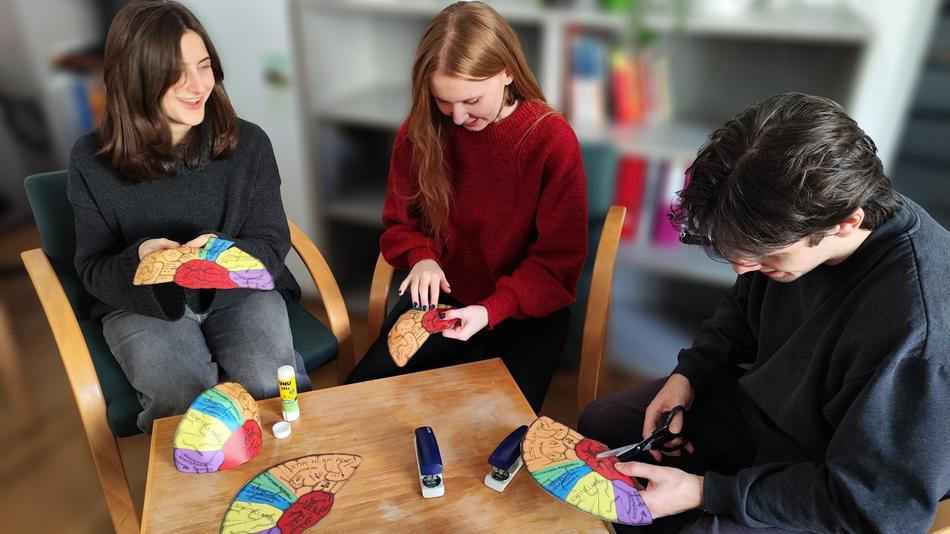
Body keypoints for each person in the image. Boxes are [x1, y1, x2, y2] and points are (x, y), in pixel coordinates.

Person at [578, 92, 950, 533]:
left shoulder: (918, 330)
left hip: (831, 475)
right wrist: (690, 374)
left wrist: (704, 492)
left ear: (845, 223)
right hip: (764, 409)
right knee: (603, 428)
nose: (742, 269)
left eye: (761, 257)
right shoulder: (795, 214)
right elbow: (743, 304)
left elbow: (879, 509)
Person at [67, 0, 310, 433]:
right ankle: (195, 499)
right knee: (186, 411)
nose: (198, 85)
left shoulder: (249, 145)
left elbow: (272, 244)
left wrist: (223, 257)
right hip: (141, 308)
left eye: (204, 65)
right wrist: (141, 258)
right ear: (135, 80)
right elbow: (92, 267)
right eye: (176, 73)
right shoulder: (90, 161)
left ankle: (288, 483)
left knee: (268, 388)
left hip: (241, 294)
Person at [345, 1, 588, 412]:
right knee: (358, 402)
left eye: (471, 100)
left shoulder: (551, 141)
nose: (457, 117)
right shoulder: (421, 130)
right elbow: (399, 225)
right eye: (443, 101)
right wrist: (421, 259)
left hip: (522, 316)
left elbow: (556, 267)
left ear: (507, 72)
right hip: (444, 301)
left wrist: (491, 309)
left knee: (483, 437)